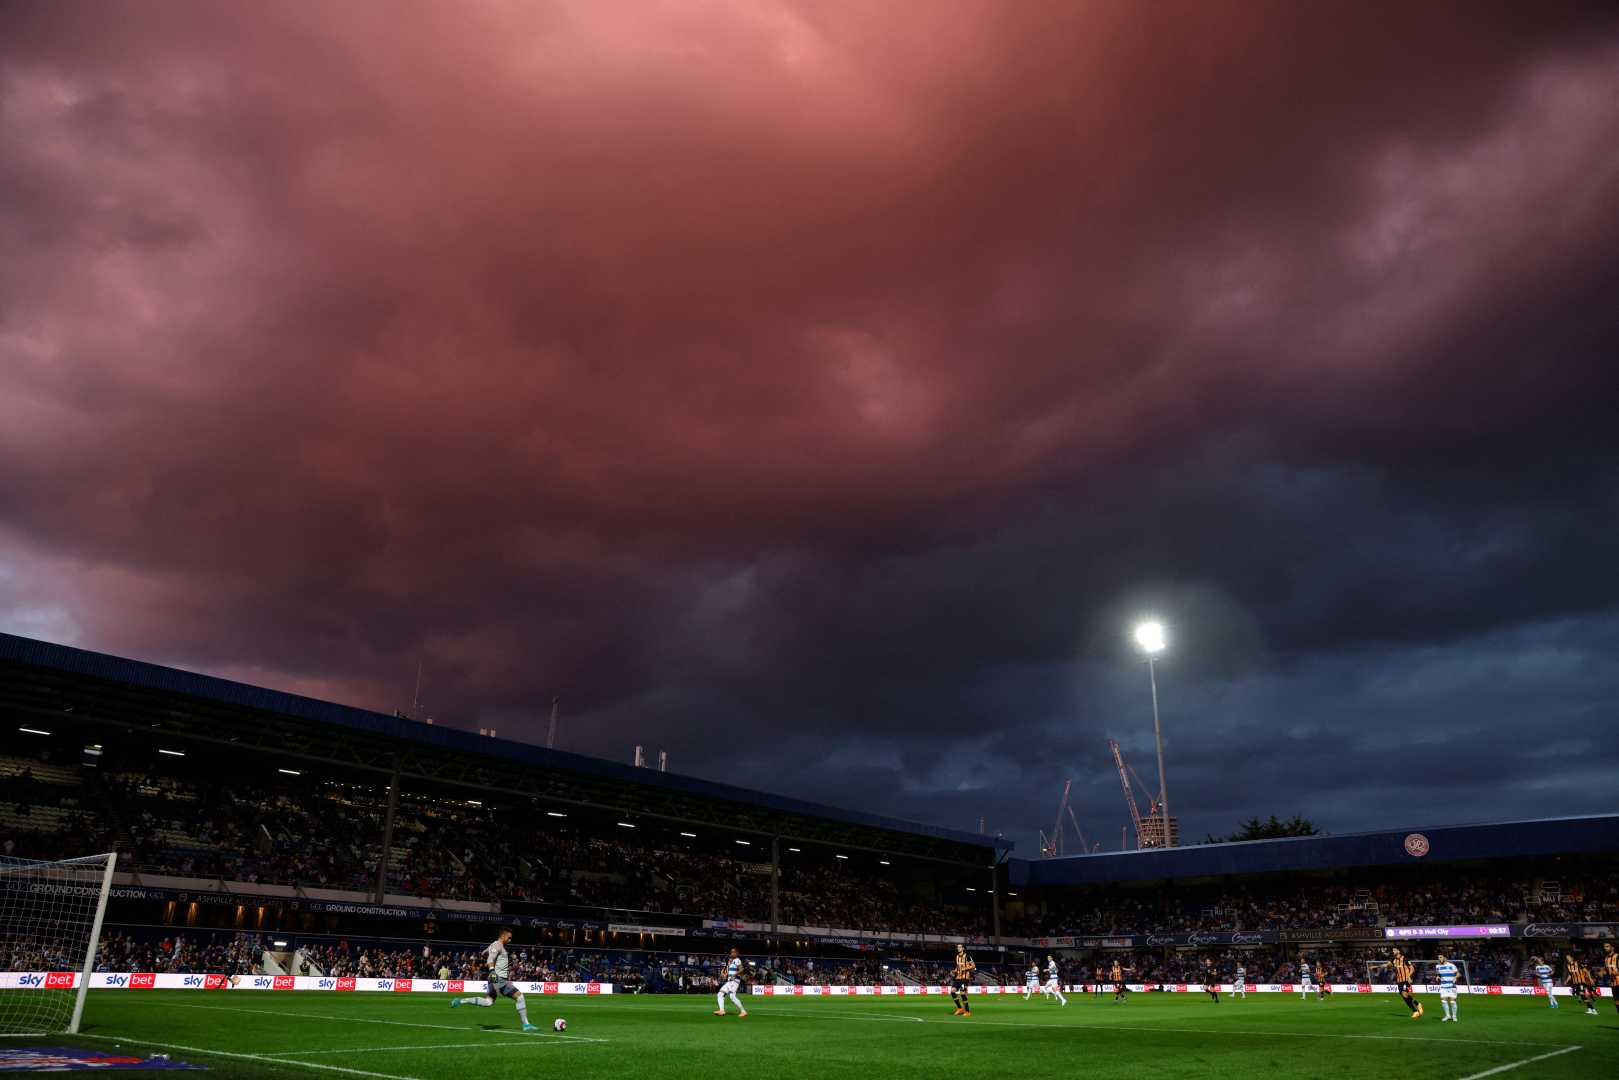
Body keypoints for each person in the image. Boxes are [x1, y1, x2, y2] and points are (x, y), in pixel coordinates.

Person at [450, 928, 537, 1032]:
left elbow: (484, 953)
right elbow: (490, 959)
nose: (510, 940)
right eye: (509, 938)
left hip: (494, 978)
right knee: (519, 996)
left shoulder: (494, 945)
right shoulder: (497, 945)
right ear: (503, 936)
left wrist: (486, 953)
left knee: (488, 1002)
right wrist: (492, 971)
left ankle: (462, 1001)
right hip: (497, 978)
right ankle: (526, 1024)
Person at [714, 948, 747, 1017]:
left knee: (732, 997)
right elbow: (731, 971)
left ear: (737, 953)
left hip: (734, 981)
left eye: (733, 952)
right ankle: (722, 1010)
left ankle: (743, 1011)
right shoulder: (731, 961)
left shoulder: (737, 960)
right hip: (730, 981)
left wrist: (734, 975)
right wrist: (726, 975)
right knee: (720, 994)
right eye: (731, 952)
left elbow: (742, 969)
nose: (731, 953)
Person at [1392, 949, 1421, 1019]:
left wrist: (1409, 976)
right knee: (1404, 997)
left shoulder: (1405, 959)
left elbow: (1412, 968)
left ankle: (1416, 1009)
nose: (1393, 952)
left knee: (1404, 994)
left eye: (1394, 950)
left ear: (1398, 951)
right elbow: (1388, 965)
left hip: (1406, 979)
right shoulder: (1393, 960)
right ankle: (1416, 1008)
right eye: (1392, 951)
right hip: (1399, 981)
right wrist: (1377, 966)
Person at [950, 946, 976, 1017]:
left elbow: (973, 966)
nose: (958, 948)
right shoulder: (957, 957)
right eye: (957, 947)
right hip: (958, 978)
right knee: (952, 991)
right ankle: (960, 1008)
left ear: (963, 948)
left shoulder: (967, 956)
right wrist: (954, 971)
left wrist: (965, 968)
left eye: (960, 947)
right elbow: (958, 967)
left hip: (965, 978)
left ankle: (967, 1011)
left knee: (962, 993)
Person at [1434, 953, 1459, 1023]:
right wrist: (1438, 976)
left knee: (1452, 1002)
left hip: (1451, 986)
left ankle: (1454, 1016)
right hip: (1443, 986)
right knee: (1443, 1001)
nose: (1439, 959)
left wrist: (1455, 977)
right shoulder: (1437, 966)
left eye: (1441, 957)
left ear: (1445, 958)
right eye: (1438, 957)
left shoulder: (1451, 965)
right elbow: (1438, 974)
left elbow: (1458, 974)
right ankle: (1448, 1015)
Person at [1604, 943, 1618, 1017]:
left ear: (1612, 948)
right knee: (1616, 1002)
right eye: (1605, 947)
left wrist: (1617, 972)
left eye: (1607, 946)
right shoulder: (1606, 958)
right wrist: (1602, 972)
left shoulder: (1617, 956)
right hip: (1613, 983)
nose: (1605, 948)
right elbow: (1606, 970)